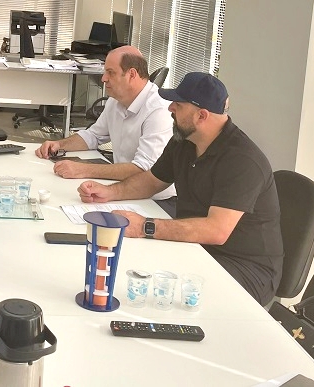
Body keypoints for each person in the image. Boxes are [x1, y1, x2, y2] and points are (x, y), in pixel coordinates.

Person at [77, 72, 283, 305]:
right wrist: (109, 192)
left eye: (178, 105)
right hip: (197, 248)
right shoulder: (185, 141)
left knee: (150, 290)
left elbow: (216, 230)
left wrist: (144, 226)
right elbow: (152, 181)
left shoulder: (242, 161)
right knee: (131, 268)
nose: (170, 108)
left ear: (201, 116)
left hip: (244, 269)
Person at [34, 46, 175, 200]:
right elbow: (93, 136)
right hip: (123, 189)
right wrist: (59, 144)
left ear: (132, 74)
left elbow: (144, 170)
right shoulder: (116, 100)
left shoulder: (159, 110)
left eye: (110, 72)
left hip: (155, 201)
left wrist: (83, 169)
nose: (103, 78)